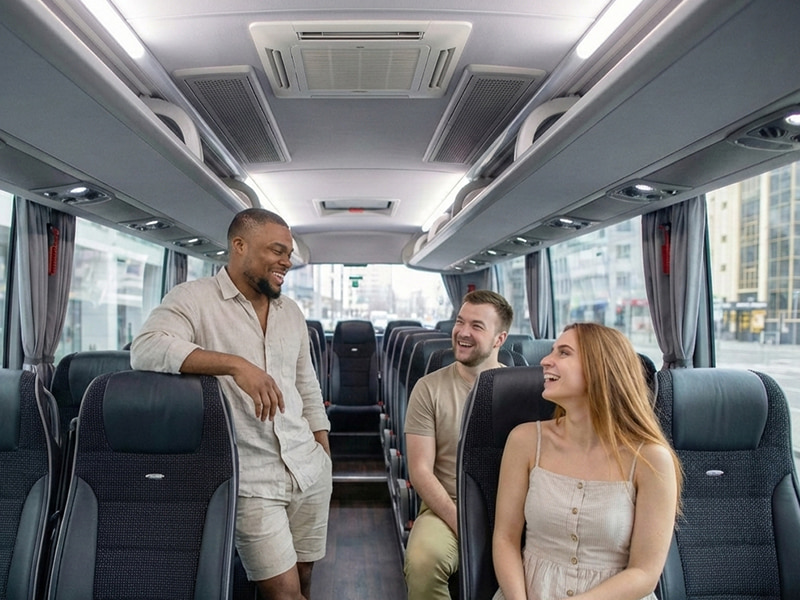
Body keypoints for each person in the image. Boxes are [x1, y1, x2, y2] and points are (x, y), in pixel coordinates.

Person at [130, 208, 331, 600]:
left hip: (308, 468)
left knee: (305, 578)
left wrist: (324, 452)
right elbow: (147, 348)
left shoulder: (291, 312)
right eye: (277, 251)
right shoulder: (194, 298)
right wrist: (236, 365)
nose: (286, 262)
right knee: (284, 593)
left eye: (289, 254)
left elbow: (306, 387)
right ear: (239, 246)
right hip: (251, 478)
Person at [492, 322, 682, 600]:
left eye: (564, 353)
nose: (546, 360)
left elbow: (644, 572)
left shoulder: (651, 459)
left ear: (600, 369)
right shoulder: (524, 441)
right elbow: (505, 539)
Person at [403, 289, 513, 600]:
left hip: (514, 509)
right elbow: (421, 470)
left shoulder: (522, 389)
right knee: (423, 562)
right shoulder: (428, 389)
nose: (462, 333)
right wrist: (462, 523)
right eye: (459, 322)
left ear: (499, 339)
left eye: (477, 326)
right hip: (446, 505)